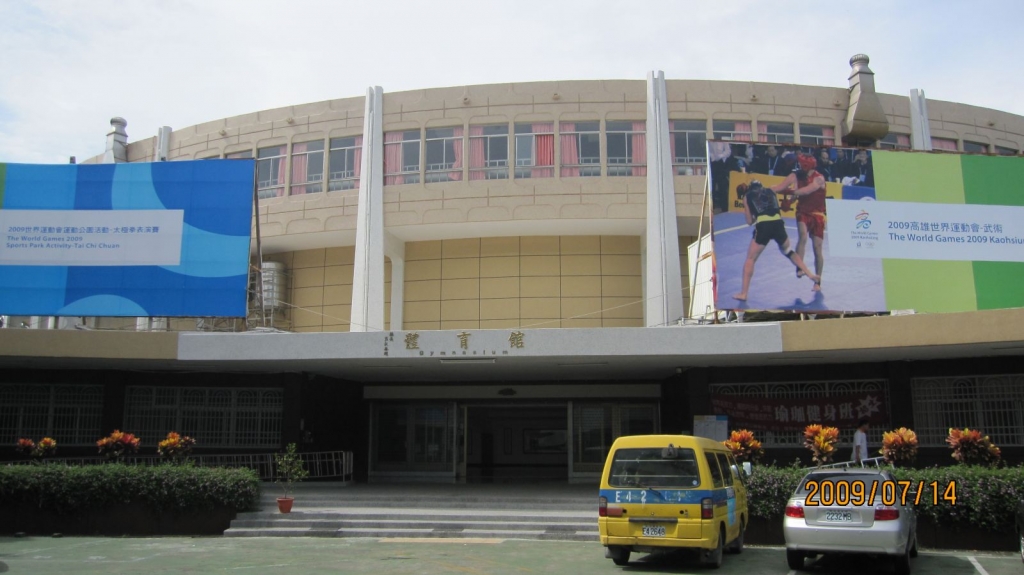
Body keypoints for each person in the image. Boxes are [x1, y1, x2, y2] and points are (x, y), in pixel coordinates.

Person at [732, 180, 819, 301]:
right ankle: (809, 274)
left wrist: (749, 211)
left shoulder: (747, 196)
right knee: (788, 251)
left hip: (764, 226)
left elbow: (749, 222)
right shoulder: (771, 190)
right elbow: (784, 185)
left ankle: (743, 293)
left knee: (750, 259)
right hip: (778, 224)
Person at [770, 153, 827, 291]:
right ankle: (799, 268)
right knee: (802, 235)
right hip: (803, 212)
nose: (799, 166)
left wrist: (790, 193)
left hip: (818, 214)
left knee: (817, 248)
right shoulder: (795, 175)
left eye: (802, 164)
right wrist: (765, 190)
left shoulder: (819, 178)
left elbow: (807, 191)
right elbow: (780, 187)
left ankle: (817, 282)